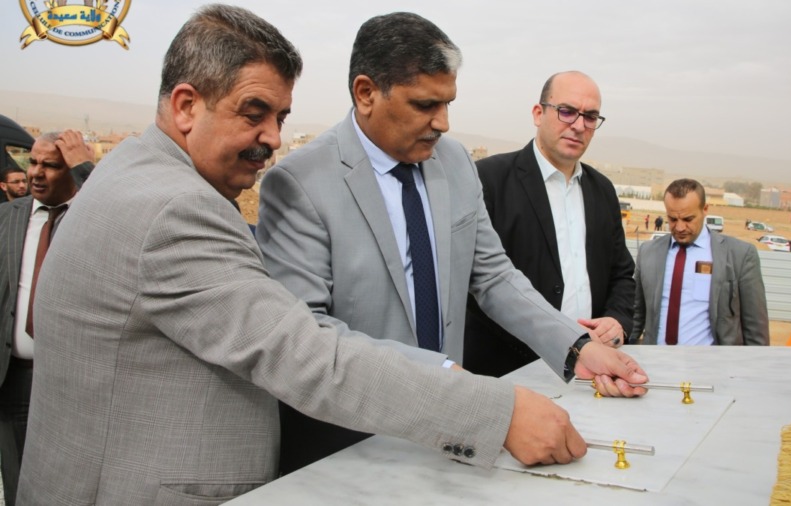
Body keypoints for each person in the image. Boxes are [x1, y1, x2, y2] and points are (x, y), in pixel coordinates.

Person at [18, 6, 646, 504]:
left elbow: (493, 273)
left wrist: (573, 345)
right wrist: (489, 408)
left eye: (280, 116)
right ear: (186, 106)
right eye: (254, 113)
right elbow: (302, 348)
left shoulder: (139, 174)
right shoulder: (179, 207)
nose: (272, 138)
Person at [257, 13, 648, 473]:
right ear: (366, 93)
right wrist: (449, 381)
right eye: (425, 104)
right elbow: (309, 336)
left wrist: (577, 346)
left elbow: (494, 276)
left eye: (448, 103)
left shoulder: (455, 162)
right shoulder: (300, 183)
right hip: (347, 448)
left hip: (447, 443)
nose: (442, 122)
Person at [463, 71, 635, 378]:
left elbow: (621, 274)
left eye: (590, 117)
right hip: (508, 372)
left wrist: (617, 320)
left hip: (590, 372)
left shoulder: (603, 190)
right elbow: (476, 282)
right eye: (567, 111)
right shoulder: (488, 179)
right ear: (538, 113)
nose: (578, 126)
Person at [0, 131, 91, 506]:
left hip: (73, 383)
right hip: (13, 378)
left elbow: (127, 209)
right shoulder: (7, 216)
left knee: (70, 484)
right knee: (18, 483)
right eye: (32, 162)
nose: (36, 173)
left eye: (50, 165)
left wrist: (87, 169)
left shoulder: (93, 219)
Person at [629, 178, 769, 346]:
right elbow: (635, 314)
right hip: (656, 359)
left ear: (705, 209)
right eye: (672, 219)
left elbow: (755, 329)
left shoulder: (740, 255)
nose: (680, 227)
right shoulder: (648, 252)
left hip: (713, 361)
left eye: (688, 219)